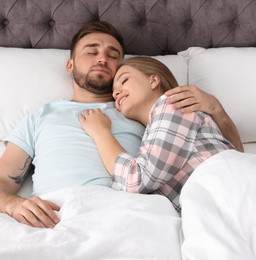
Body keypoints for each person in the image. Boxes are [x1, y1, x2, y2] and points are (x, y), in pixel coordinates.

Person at [0, 21, 242, 228]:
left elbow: (233, 159)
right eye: (91, 52)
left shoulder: (143, 112)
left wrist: (217, 110)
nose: (102, 59)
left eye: (113, 55)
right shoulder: (41, 116)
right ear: (69, 65)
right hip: (58, 215)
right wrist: (14, 206)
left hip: (129, 212)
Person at [79, 56, 235, 212]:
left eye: (124, 80)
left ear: (153, 80)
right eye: (113, 92)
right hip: (217, 206)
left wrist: (101, 133)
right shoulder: (152, 133)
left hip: (229, 196)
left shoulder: (174, 104)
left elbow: (136, 180)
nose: (116, 93)